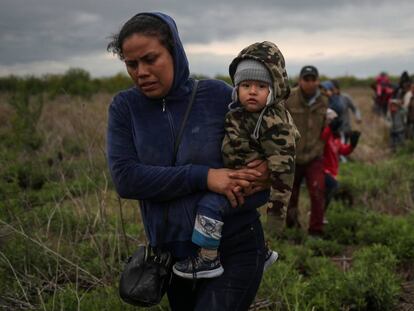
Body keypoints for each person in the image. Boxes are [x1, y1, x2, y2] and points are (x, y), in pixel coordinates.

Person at [106, 12, 272, 310]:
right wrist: (205, 176)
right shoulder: (125, 108)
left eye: (150, 59)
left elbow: (264, 160)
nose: (141, 71)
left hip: (235, 244)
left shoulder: (218, 96)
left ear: (175, 51)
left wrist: (265, 169)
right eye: (132, 64)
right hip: (173, 258)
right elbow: (126, 179)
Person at [172, 42, 300, 279]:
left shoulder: (273, 122)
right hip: (238, 176)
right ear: (236, 88)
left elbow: (284, 169)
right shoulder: (240, 112)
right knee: (237, 215)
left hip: (252, 183)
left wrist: (277, 212)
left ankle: (207, 259)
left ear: (274, 89)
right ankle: (260, 252)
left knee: (210, 206)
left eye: (261, 86)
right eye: (246, 85)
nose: (252, 91)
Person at [285, 65, 328, 236]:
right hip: (292, 156)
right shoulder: (289, 98)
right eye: (306, 79)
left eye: (313, 80)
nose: (310, 83)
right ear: (300, 80)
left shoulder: (324, 100)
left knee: (318, 191)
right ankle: (291, 227)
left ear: (318, 81)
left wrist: (321, 147)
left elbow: (325, 127)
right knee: (290, 194)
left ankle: (316, 231)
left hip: (314, 156)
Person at [321, 109, 360, 212]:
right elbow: (322, 139)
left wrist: (352, 145)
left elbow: (343, 150)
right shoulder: (322, 135)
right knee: (334, 187)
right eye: (331, 120)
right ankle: (318, 214)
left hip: (333, 172)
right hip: (322, 171)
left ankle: (320, 214)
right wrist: (329, 128)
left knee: (330, 192)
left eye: (335, 120)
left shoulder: (336, 138)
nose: (335, 122)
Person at [331, 79, 362, 143]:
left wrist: (358, 117)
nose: (331, 91)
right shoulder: (326, 99)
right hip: (332, 131)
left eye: (332, 89)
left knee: (342, 149)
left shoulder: (345, 98)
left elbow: (355, 108)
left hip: (344, 130)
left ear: (337, 89)